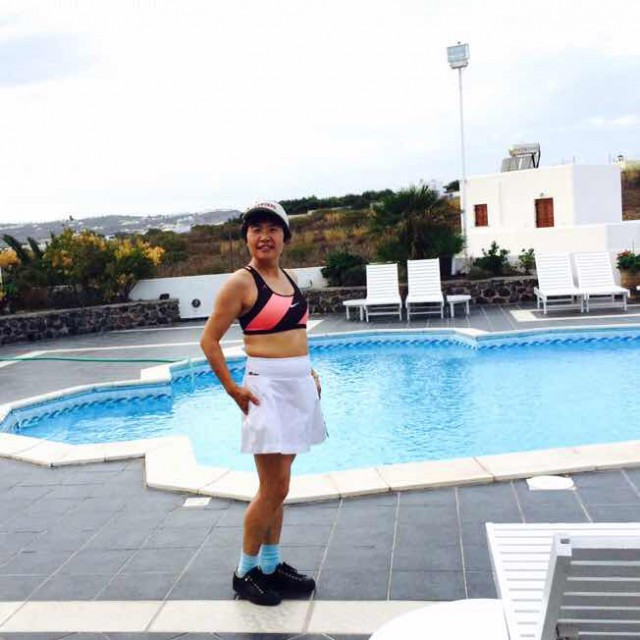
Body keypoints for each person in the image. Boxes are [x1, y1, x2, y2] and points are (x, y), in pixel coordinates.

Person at [200, 200, 326, 606]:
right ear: (247, 238)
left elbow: (293, 335)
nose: (264, 236)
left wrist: (308, 371)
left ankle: (270, 565)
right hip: (267, 391)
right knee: (273, 488)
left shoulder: (289, 278)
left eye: (273, 228)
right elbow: (209, 340)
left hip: (298, 390)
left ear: (285, 237)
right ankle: (245, 572)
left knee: (279, 487)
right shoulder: (241, 283)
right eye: (256, 229)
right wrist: (232, 389)